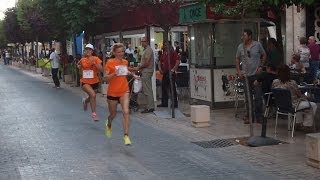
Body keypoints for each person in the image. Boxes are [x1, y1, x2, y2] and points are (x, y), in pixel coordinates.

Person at [104, 43, 139, 145]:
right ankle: (109, 124)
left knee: (126, 111)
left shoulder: (125, 61)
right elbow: (105, 78)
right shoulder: (110, 62)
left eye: (122, 52)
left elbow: (125, 71)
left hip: (124, 90)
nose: (121, 54)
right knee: (113, 114)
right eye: (118, 52)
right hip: (112, 92)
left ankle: (126, 136)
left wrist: (133, 75)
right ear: (114, 52)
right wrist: (114, 73)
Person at [272, 65, 317, 132]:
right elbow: (299, 95)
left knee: (302, 105)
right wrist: (307, 96)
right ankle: (307, 125)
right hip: (293, 105)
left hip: (281, 105)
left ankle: (298, 123)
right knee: (313, 105)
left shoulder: (275, 82)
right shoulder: (292, 83)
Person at [236, 29, 267, 124]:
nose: (242, 37)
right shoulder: (240, 47)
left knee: (258, 97)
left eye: (244, 35)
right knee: (248, 98)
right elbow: (237, 59)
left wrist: (261, 66)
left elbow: (264, 55)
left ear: (249, 36)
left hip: (255, 75)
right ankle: (249, 116)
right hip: (245, 75)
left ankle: (259, 116)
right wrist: (239, 71)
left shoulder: (257, 45)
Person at [78, 44, 103, 121]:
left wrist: (95, 64)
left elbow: (101, 69)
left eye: (89, 49)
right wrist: (78, 67)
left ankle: (85, 101)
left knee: (92, 96)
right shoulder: (82, 60)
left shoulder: (96, 59)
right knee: (93, 95)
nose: (88, 51)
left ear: (92, 51)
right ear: (85, 51)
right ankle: (94, 114)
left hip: (95, 82)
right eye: (86, 49)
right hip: (85, 82)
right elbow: (79, 66)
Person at [134, 37, 155, 113]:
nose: (142, 43)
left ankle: (150, 107)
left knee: (147, 89)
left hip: (147, 71)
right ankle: (149, 106)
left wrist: (139, 67)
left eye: (143, 41)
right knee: (146, 89)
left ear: (147, 42)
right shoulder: (145, 50)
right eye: (141, 41)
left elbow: (147, 63)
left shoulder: (148, 50)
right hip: (145, 71)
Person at [158, 41, 180, 108]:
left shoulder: (173, 53)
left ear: (170, 45)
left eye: (167, 45)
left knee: (172, 88)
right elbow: (160, 61)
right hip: (165, 72)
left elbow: (177, 61)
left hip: (171, 72)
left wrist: (173, 70)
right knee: (164, 87)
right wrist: (160, 69)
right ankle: (164, 103)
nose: (166, 46)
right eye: (165, 45)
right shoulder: (164, 53)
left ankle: (174, 104)